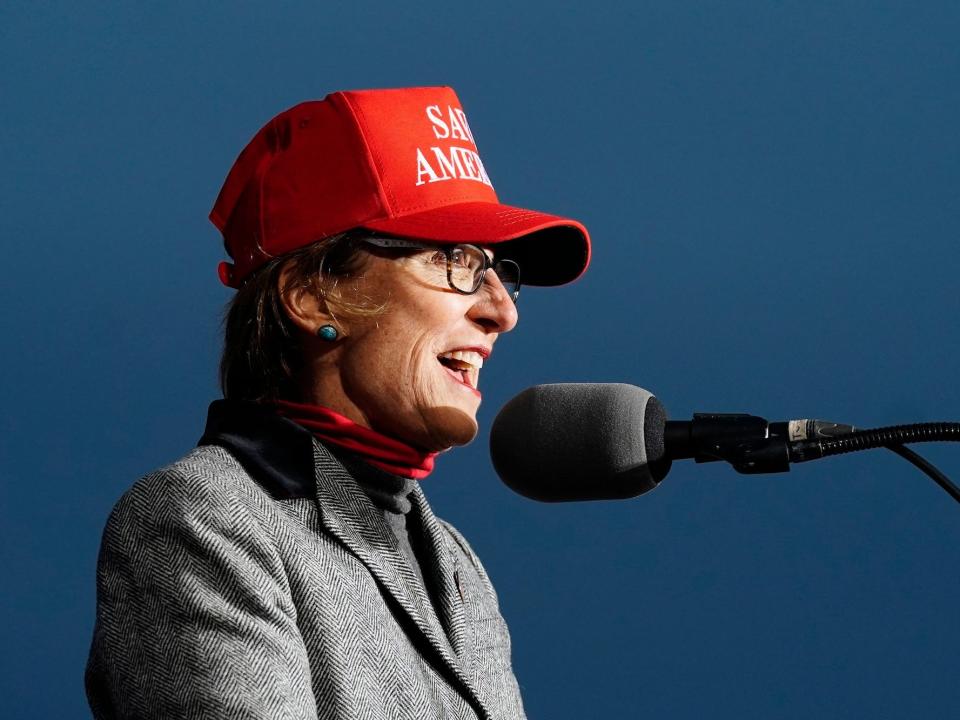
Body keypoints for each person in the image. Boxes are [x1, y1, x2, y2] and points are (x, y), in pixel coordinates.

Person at [86, 86, 591, 720]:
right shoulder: (201, 520)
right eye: (455, 260)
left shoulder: (454, 561)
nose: (503, 311)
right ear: (313, 296)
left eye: (498, 269)